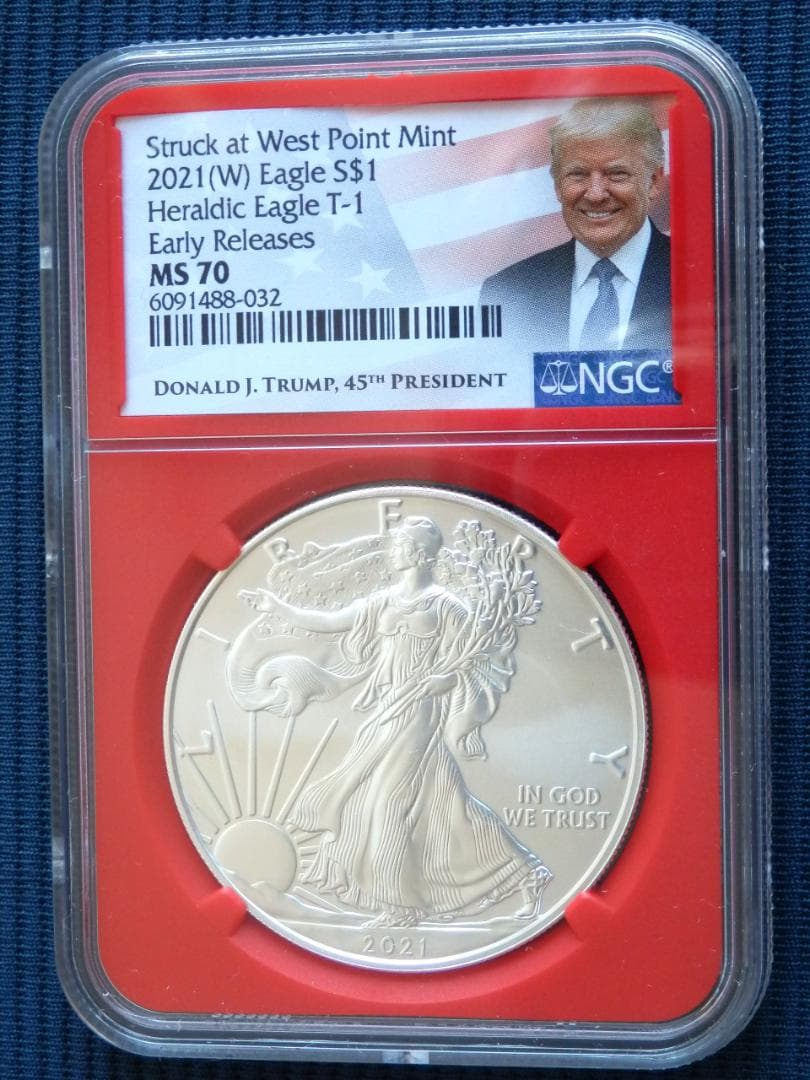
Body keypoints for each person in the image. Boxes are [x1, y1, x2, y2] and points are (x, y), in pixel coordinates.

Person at [239, 516, 551, 929]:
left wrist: (446, 683)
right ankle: (526, 872)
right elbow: (331, 622)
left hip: (420, 711)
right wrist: (278, 608)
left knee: (388, 801)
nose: (392, 550)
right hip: (387, 708)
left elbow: (475, 663)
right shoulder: (383, 601)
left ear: (419, 554)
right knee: (444, 804)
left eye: (401, 544)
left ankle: (400, 905)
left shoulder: (446, 607)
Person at [480, 98, 671, 352]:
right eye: (578, 175)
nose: (596, 194)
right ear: (558, 186)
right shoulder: (508, 291)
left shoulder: (704, 279)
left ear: (654, 181)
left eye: (617, 174)